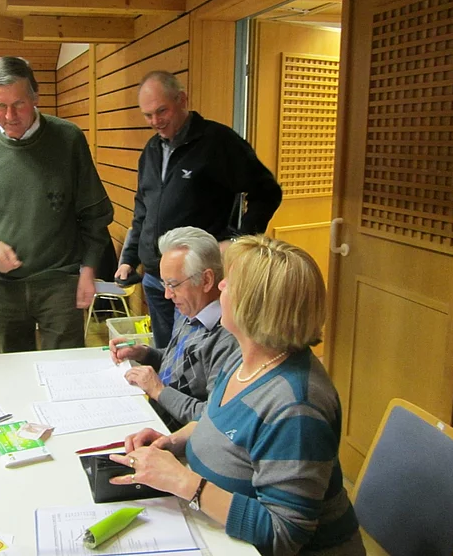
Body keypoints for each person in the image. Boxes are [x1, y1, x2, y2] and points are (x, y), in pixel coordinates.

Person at [110, 236, 365, 556]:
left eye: (229, 283)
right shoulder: (246, 360)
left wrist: (184, 482)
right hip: (216, 530)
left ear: (255, 306)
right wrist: (173, 442)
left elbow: (284, 534)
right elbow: (217, 420)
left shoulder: (297, 406)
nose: (220, 286)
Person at [116, 71, 283, 349]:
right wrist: (129, 259)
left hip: (197, 281)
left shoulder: (219, 142)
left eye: (162, 111)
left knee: (197, 358)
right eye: (148, 115)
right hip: (156, 280)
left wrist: (238, 242)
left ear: (182, 100)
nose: (155, 121)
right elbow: (142, 208)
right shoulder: (151, 150)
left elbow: (267, 192)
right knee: (166, 356)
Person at [0, 56, 113, 353]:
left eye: (18, 104)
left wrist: (88, 270)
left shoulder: (68, 139)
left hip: (61, 282)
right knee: (11, 367)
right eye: (0, 106)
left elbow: (95, 213)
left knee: (65, 368)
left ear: (35, 97)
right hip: (6, 286)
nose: (9, 115)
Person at [109, 227, 237, 430]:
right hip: (151, 419)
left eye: (173, 284)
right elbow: (182, 367)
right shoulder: (189, 311)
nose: (167, 295)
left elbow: (213, 419)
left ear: (206, 280)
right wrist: (144, 353)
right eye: (164, 284)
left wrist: (159, 390)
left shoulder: (228, 338)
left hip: (175, 438)